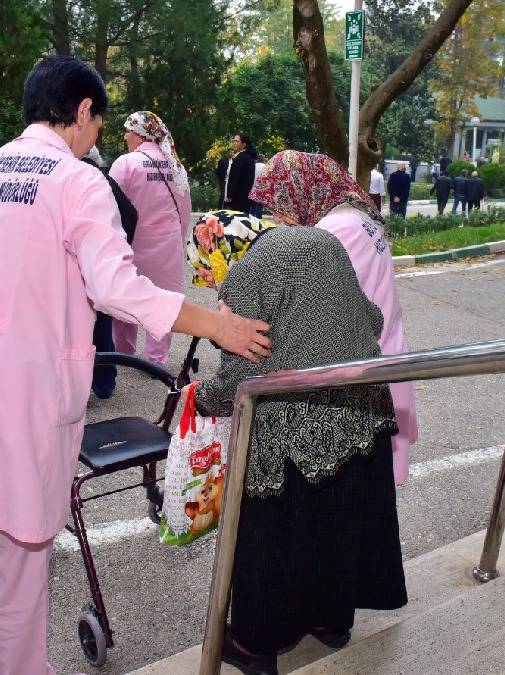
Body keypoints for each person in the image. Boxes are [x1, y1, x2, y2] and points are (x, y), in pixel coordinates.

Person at [0, 56, 272, 675]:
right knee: (18, 567)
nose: (99, 138)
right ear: (83, 110)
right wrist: (218, 324)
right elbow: (119, 288)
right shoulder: (76, 180)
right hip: (15, 395)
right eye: (99, 124)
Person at [186, 217, 407, 675]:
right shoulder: (321, 242)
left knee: (272, 535)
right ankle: (329, 621)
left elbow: (236, 377)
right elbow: (373, 318)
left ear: (222, 249)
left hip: (292, 422)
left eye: (209, 271)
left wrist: (202, 398)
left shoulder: (247, 274)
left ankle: (254, 646)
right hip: (359, 407)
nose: (215, 284)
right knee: (334, 521)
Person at [249, 149, 419, 486]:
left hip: (356, 385)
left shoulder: (333, 229)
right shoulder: (357, 218)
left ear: (305, 190)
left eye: (281, 205)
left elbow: (305, 306)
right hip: (379, 365)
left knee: (349, 500)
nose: (277, 219)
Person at [108, 110, 193, 367]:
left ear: (139, 134)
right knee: (163, 300)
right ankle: (156, 358)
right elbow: (185, 209)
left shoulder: (126, 164)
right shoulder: (177, 167)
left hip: (131, 242)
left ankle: (124, 352)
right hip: (167, 245)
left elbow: (109, 204)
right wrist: (177, 241)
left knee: (125, 296)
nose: (125, 136)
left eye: (128, 131)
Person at [82, 146, 136, 399]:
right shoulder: (105, 178)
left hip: (80, 265)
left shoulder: (83, 176)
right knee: (101, 324)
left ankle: (84, 386)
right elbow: (131, 214)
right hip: (99, 265)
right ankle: (104, 383)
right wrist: (121, 246)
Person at [224, 133, 258, 213]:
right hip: (245, 196)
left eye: (237, 141)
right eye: (234, 141)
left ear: (244, 144)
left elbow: (236, 178)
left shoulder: (241, 158)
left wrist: (230, 195)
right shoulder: (248, 157)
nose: (234, 143)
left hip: (238, 197)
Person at [251, 153, 268, 218]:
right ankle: (259, 216)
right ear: (263, 159)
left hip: (253, 185)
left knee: (253, 201)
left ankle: (252, 215)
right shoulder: (265, 166)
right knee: (260, 202)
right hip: (261, 186)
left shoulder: (254, 165)